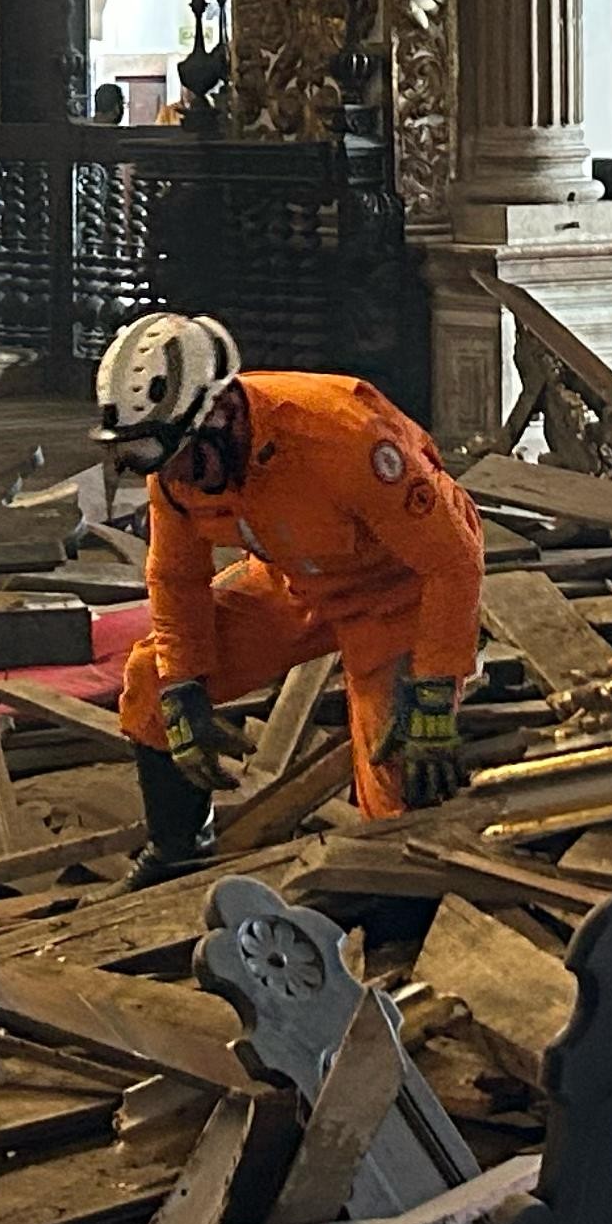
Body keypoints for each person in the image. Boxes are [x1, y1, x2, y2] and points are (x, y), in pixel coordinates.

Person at [95, 313, 483, 881]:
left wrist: (433, 690)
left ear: (223, 413)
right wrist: (184, 688)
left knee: (395, 765)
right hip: (296, 577)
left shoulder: (344, 436)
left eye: (182, 460)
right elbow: (177, 580)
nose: (176, 477)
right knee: (154, 680)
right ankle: (178, 851)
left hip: (398, 588)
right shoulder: (174, 463)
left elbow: (452, 561)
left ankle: (407, 897)